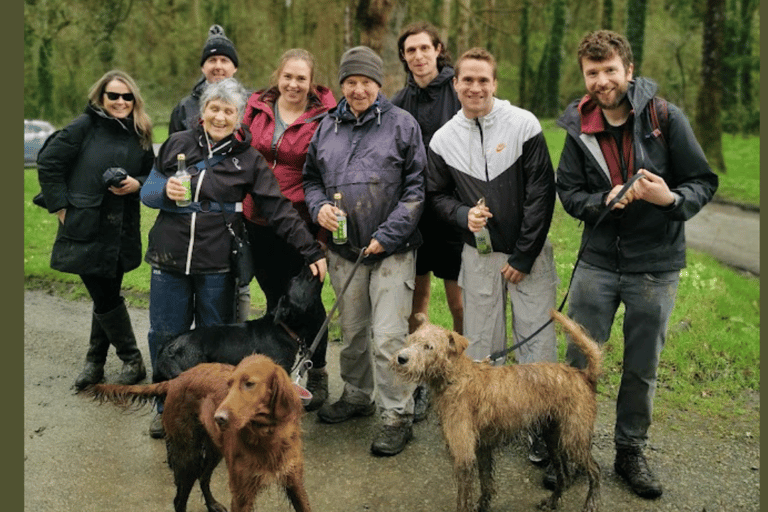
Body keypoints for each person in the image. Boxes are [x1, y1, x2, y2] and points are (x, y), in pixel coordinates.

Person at [554, 30, 718, 499]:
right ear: (584, 76)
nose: (602, 81)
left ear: (628, 70)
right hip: (597, 263)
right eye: (592, 72)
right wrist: (600, 200)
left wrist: (669, 199)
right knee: (579, 360)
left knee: (641, 365)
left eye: (610, 70)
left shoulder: (666, 117)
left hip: (656, 264)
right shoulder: (578, 126)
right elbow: (570, 193)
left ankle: (630, 451)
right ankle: (572, 449)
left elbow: (702, 181)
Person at [141, 78, 327, 438]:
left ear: (239, 116)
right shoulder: (178, 144)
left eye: (228, 111)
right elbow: (148, 190)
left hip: (217, 262)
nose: (220, 117)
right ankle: (166, 407)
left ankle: (216, 412)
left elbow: (278, 209)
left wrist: (310, 250)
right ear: (203, 111)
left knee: (217, 347)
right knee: (164, 335)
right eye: (214, 108)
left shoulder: (248, 159)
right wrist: (164, 190)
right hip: (169, 257)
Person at [427, 47, 558, 461]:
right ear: (455, 84)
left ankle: (540, 427)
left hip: (528, 254)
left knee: (535, 340)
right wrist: (462, 214)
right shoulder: (443, 139)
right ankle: (487, 420)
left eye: (483, 80)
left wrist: (524, 255)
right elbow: (436, 196)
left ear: (495, 83)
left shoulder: (523, 124)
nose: (475, 87)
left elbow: (541, 193)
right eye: (467, 80)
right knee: (481, 342)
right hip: (478, 255)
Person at [303, 46, 426, 457]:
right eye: (351, 82)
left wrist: (389, 234)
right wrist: (318, 206)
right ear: (342, 85)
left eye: (366, 82)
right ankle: (357, 395)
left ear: (380, 83)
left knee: (389, 337)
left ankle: (397, 415)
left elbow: (416, 189)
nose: (358, 90)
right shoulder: (326, 127)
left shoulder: (403, 124)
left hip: (392, 250)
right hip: (344, 250)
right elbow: (311, 179)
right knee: (353, 331)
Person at [37, 70, 155, 390]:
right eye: (113, 95)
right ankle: (131, 358)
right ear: (101, 98)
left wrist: (137, 184)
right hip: (85, 226)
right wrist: (60, 206)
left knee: (106, 295)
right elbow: (48, 162)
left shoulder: (141, 133)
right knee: (104, 295)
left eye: (126, 96)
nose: (120, 102)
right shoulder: (84, 126)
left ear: (134, 100)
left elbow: (152, 174)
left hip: (121, 228)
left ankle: (95, 363)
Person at [242, 48, 337, 412]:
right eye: (288, 76)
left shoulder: (324, 118)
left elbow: (326, 174)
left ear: (311, 83)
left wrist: (321, 239)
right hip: (257, 221)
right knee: (275, 302)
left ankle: (317, 371)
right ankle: (277, 374)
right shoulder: (256, 108)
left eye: (301, 78)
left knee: (307, 303)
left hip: (301, 226)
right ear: (277, 77)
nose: (293, 84)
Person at [391, 21, 464, 424]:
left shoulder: (458, 90)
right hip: (415, 215)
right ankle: (418, 378)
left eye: (424, 48)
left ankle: (459, 373)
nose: (418, 56)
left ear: (438, 49)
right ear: (404, 57)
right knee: (416, 301)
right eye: (410, 50)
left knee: (458, 302)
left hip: (453, 210)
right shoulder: (399, 101)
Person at [168, 24, 239, 136]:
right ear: (203, 68)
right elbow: (175, 145)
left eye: (224, 60)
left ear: (235, 68)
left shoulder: (250, 105)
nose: (218, 66)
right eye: (212, 60)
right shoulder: (183, 109)